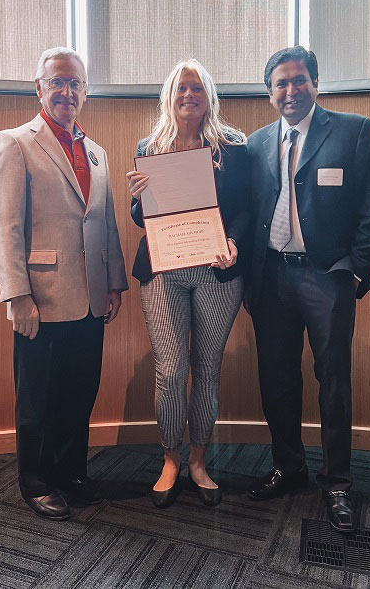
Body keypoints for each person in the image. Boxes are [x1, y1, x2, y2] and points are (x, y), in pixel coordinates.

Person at [246, 46, 370, 532]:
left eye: (299, 80)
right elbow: (248, 213)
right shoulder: (257, 143)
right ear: (270, 92)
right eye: (281, 83)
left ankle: (337, 483)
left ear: (315, 83)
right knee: (277, 378)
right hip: (272, 277)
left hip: (328, 277)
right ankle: (289, 467)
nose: (291, 90)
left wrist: (356, 271)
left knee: (333, 382)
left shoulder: (354, 132)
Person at [0, 47, 128, 520]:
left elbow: (105, 223)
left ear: (85, 91)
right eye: (58, 82)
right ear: (39, 88)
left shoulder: (97, 152)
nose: (67, 91)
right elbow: (3, 225)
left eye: (76, 84)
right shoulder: (15, 142)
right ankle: (37, 481)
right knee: (38, 398)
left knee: (79, 391)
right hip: (40, 300)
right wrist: (16, 295)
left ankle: (71, 474)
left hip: (89, 298)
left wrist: (113, 284)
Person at [127, 59, 250, 508]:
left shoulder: (231, 147)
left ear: (209, 95)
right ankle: (171, 458)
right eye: (181, 88)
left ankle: (199, 459)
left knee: (207, 369)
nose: (188, 95)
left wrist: (234, 241)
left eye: (196, 87)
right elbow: (145, 219)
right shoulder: (150, 146)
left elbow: (246, 208)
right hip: (164, 270)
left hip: (217, 270)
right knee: (173, 370)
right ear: (169, 95)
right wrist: (138, 198)